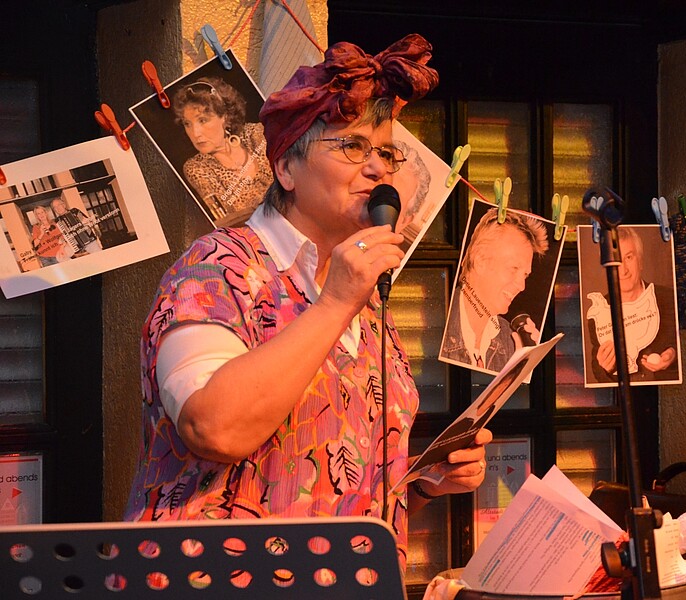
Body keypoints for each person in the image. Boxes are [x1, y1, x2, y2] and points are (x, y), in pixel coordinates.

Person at [124, 34, 489, 569]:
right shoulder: (215, 269)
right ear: (286, 169)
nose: (378, 169)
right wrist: (335, 303)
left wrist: (422, 482)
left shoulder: (362, 298)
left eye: (386, 152)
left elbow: (327, 481)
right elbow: (213, 428)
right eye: (353, 147)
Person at [440, 207, 549, 372]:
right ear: (480, 261)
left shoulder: (510, 340)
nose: (522, 286)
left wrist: (521, 370)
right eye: (513, 269)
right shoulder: (439, 323)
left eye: (525, 275)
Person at [173, 76, 273, 226]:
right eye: (187, 124)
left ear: (225, 117)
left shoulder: (254, 133)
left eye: (202, 120)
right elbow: (229, 219)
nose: (195, 133)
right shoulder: (197, 168)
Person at [586, 226, 678, 383]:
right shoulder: (598, 312)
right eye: (616, 261)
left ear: (640, 261)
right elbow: (597, 368)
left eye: (629, 257)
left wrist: (673, 355)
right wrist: (605, 368)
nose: (623, 271)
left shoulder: (668, 298)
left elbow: (683, 343)